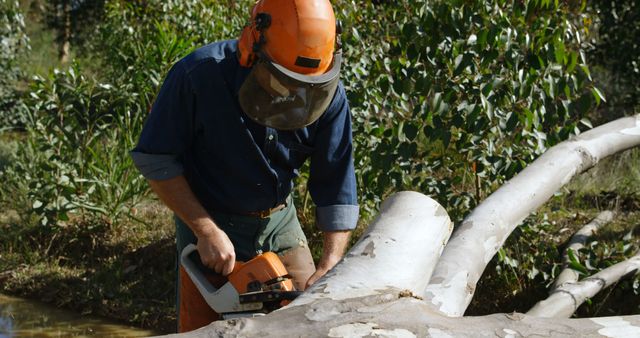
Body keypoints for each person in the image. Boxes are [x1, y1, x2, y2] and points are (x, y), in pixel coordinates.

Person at [130, 0, 359, 332]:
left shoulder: (327, 94)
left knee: (311, 322)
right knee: (203, 331)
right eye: (284, 79)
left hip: (279, 220)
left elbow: (337, 184)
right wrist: (205, 231)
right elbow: (156, 158)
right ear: (252, 44)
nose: (295, 92)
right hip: (209, 220)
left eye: (305, 85)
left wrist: (330, 264)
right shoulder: (198, 75)